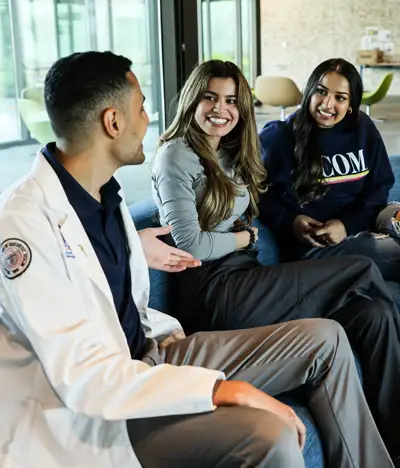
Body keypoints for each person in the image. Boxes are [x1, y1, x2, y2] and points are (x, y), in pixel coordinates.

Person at [0, 51, 388, 468]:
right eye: (142, 108)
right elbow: (85, 380)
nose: (148, 120)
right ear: (113, 122)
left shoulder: (103, 197)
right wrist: (224, 389)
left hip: (153, 353)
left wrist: (164, 323)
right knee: (271, 434)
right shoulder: (23, 228)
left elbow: (126, 305)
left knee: (331, 337)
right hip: (102, 408)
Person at [152, 58, 400, 466]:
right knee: (361, 268)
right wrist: (245, 236)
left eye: (231, 100)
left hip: (248, 278)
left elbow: (267, 195)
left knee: (370, 312)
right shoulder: (176, 155)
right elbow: (191, 246)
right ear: (192, 99)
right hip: (215, 291)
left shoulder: (229, 149)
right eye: (210, 97)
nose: (221, 108)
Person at [258, 58, 400, 283]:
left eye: (340, 98)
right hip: (315, 248)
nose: (327, 104)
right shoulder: (278, 137)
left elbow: (379, 186)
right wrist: (290, 221)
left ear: (351, 103)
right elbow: (255, 192)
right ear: (309, 91)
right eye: (321, 92)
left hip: (365, 226)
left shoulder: (363, 129)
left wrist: (347, 225)